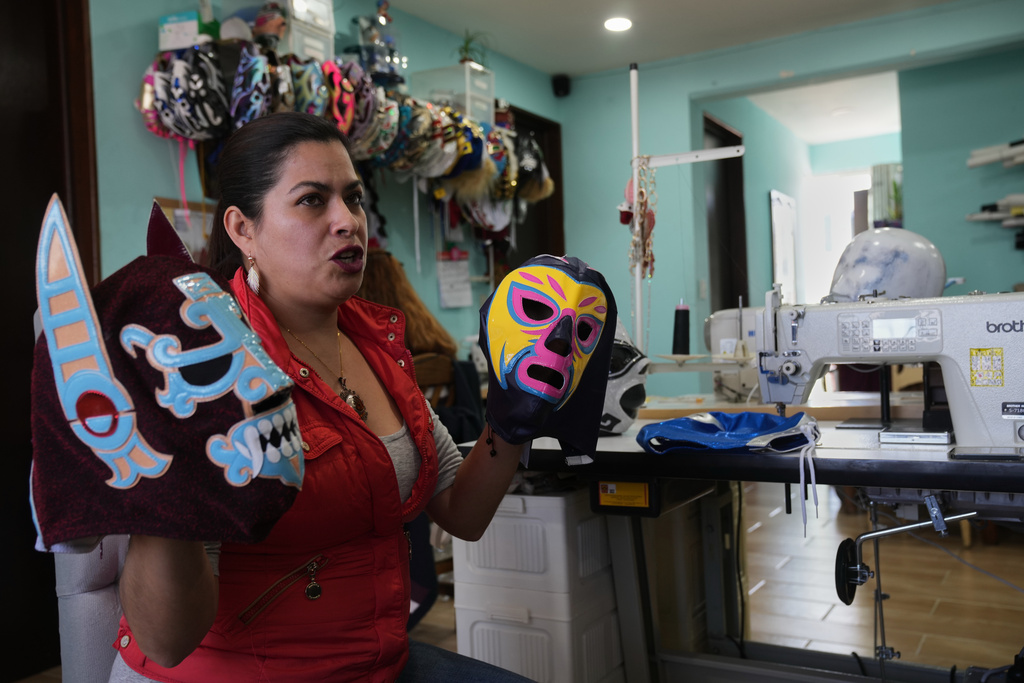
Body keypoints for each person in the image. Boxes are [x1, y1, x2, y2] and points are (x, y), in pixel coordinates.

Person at [109, 111, 532, 682]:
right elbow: (167, 641)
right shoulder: (206, 365)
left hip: (372, 661)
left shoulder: (376, 343)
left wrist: (514, 412)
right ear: (242, 229)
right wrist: (165, 492)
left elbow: (463, 511)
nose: (347, 222)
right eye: (312, 201)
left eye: (353, 199)